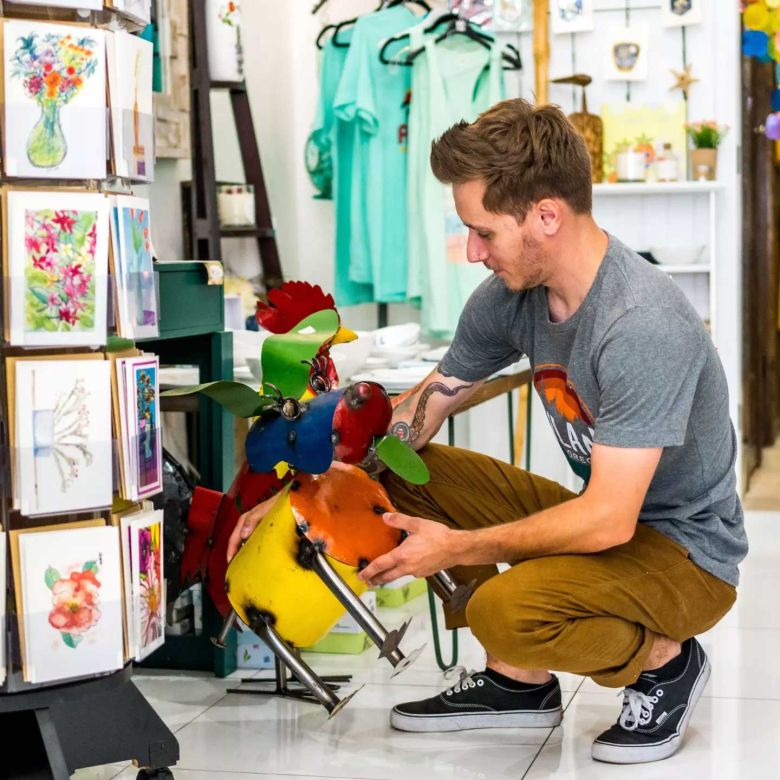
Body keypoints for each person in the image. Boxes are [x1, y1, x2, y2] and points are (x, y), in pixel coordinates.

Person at [229, 98, 747, 765]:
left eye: (484, 233)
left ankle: (664, 664)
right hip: (610, 522)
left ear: (547, 217)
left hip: (686, 556)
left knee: (502, 610)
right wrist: (302, 495)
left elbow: (610, 521)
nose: (472, 251)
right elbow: (424, 408)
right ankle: (517, 685)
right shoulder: (511, 295)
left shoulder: (641, 324)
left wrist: (454, 548)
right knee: (417, 471)